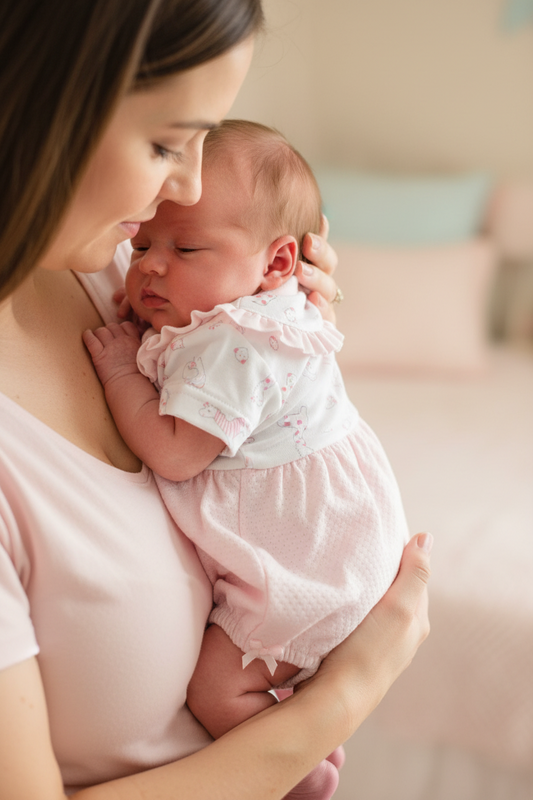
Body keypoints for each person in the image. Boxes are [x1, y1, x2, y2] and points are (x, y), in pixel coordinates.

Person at [0, 2, 431, 799]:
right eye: (166, 141)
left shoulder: (104, 265)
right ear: (37, 99)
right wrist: (341, 698)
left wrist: (286, 316)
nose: (187, 187)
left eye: (205, 137)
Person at [83, 119, 411, 800]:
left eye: (186, 247)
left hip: (306, 552)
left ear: (278, 263)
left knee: (216, 687)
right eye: (143, 242)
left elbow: (174, 453)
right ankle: (297, 722)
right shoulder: (240, 311)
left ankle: (297, 765)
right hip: (333, 526)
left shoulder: (235, 344)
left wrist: (121, 372)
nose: (147, 264)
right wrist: (163, 291)